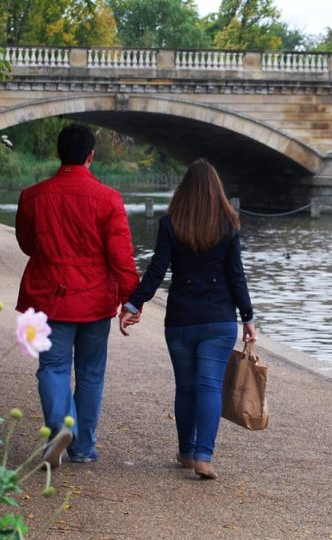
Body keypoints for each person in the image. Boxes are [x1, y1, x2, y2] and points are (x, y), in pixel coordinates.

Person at [120, 159, 256, 480]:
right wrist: (248, 317)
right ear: (216, 190)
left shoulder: (171, 224)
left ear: (183, 191)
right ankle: (203, 456)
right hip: (218, 319)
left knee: (186, 386)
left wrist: (134, 303)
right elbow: (236, 276)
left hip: (181, 318)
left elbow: (156, 270)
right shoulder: (228, 225)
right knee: (209, 385)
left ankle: (185, 450)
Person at [16, 123, 140, 467]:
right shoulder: (109, 199)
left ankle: (59, 427)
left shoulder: (33, 196)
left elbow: (28, 245)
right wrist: (132, 299)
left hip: (48, 296)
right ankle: (82, 446)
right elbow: (121, 256)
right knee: (90, 373)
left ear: (60, 154)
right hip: (95, 298)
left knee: (53, 367)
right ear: (91, 156)